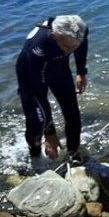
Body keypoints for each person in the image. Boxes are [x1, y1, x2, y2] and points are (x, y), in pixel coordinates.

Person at [16, 15, 89, 159]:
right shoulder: (37, 47)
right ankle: (35, 156)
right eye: (67, 47)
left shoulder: (79, 30)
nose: (70, 51)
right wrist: (50, 133)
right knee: (37, 121)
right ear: (55, 37)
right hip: (30, 73)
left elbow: (82, 44)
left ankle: (73, 154)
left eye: (74, 47)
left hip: (58, 67)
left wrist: (81, 72)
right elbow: (39, 93)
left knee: (72, 113)